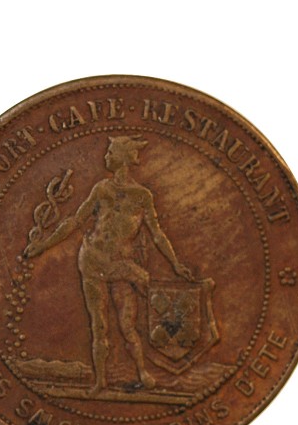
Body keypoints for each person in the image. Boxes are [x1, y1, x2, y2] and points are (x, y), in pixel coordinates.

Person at [25, 136, 192, 395]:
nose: (105, 157)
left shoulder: (142, 196)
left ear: (122, 158)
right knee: (98, 324)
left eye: (110, 152)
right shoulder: (101, 189)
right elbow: (76, 221)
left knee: (127, 325)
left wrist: (175, 264)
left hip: (122, 265)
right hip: (93, 260)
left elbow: (157, 234)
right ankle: (100, 381)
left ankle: (142, 372)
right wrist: (43, 245)